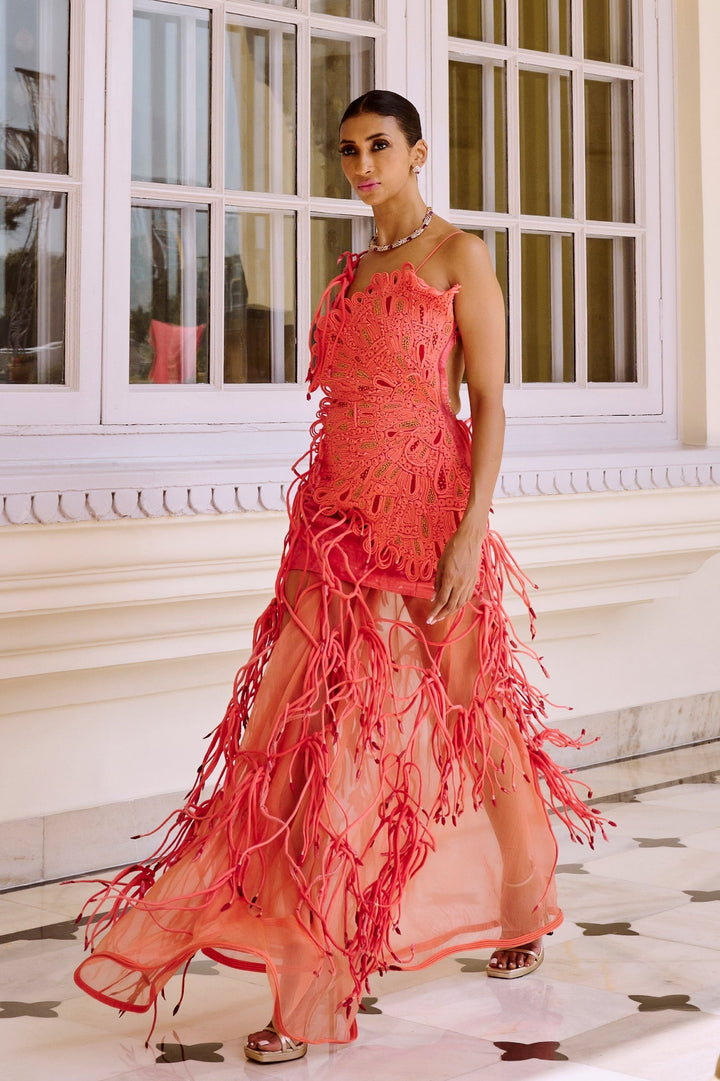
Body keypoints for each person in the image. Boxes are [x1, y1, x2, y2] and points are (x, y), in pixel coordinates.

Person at [74, 91, 605, 1065]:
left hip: (433, 519)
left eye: (380, 147)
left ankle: (523, 908)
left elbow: (486, 402)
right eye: (349, 151)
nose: (363, 165)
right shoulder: (351, 275)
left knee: (472, 720)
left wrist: (468, 533)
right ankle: (312, 985)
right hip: (337, 532)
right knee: (317, 750)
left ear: (418, 152)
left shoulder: (460, 258)